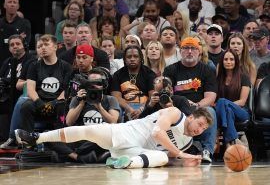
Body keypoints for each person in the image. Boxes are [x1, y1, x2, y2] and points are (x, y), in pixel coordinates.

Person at [15, 106, 213, 168]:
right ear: (191, 116)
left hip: (136, 151)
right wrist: (179, 153)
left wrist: (183, 161)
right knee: (88, 131)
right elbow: (157, 132)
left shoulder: (187, 142)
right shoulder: (175, 113)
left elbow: (167, 155)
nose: (200, 129)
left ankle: (122, 163)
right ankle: (35, 137)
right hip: (127, 133)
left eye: (204, 129)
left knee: (161, 158)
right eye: (200, 124)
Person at [47, 68, 120, 163]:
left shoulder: (110, 99)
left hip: (98, 139)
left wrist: (99, 106)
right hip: (80, 137)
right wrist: (81, 103)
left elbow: (113, 122)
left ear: (103, 85)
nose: (94, 86)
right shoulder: (78, 98)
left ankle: (70, 154)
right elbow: (69, 122)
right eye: (91, 83)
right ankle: (79, 157)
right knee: (49, 136)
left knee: (107, 140)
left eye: (97, 83)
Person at [164, 37, 218, 163]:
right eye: (186, 48)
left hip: (198, 108)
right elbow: (166, 93)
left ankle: (207, 151)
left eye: (193, 48)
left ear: (199, 52)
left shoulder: (207, 70)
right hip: (176, 108)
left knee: (210, 111)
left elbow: (210, 97)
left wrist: (198, 105)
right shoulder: (170, 70)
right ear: (180, 51)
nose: (189, 51)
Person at [18, 34, 72, 133]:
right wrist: (40, 103)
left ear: (55, 47)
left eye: (46, 44)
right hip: (40, 102)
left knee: (62, 106)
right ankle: (28, 141)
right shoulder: (34, 66)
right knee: (26, 106)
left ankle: (60, 141)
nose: (43, 48)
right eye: (39, 46)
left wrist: (53, 103)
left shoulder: (66, 66)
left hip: (58, 102)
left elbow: (66, 90)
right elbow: (30, 90)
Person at [215, 49, 251, 148]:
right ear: (222, 62)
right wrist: (225, 106)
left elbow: (242, 101)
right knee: (228, 111)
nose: (228, 62)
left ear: (236, 61)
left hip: (242, 112)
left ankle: (218, 132)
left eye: (231, 59)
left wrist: (224, 103)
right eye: (226, 59)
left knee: (222, 102)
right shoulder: (218, 79)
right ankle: (231, 142)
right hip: (227, 112)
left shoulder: (244, 77)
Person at [111, 45, 156, 121]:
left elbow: (153, 96)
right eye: (129, 57)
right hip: (125, 107)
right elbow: (116, 97)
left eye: (135, 56)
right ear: (124, 59)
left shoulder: (149, 74)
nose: (132, 59)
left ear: (141, 58)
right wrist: (129, 109)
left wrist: (141, 110)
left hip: (145, 106)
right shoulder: (118, 75)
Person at [0, 0, 31, 65]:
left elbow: (24, 43)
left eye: (14, 2)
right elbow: (18, 40)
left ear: (18, 6)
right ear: (4, 5)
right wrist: (16, 38)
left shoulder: (25, 23)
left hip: (19, 62)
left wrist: (4, 40)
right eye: (9, 2)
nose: (12, 4)